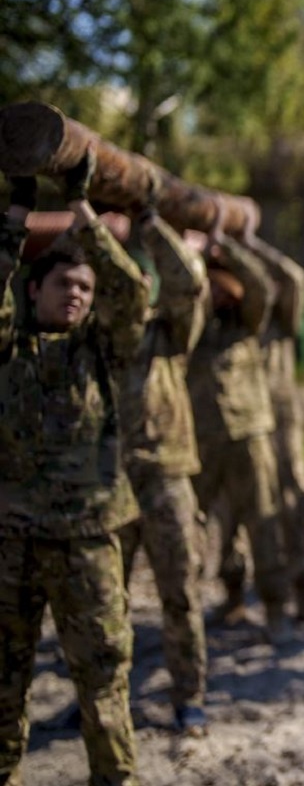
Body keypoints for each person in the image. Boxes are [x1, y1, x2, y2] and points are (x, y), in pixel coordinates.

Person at [0, 153, 147, 784]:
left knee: (104, 686)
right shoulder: (7, 346)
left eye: (85, 290)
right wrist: (13, 221)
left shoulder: (102, 348)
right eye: (66, 285)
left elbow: (132, 292)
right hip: (12, 541)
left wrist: (84, 211)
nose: (79, 296)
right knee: (3, 687)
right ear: (35, 290)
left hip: (87, 541)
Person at [115, 179, 212, 736]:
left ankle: (188, 695)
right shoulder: (94, 336)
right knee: (106, 603)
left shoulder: (168, 334)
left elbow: (188, 284)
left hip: (168, 477)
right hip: (105, 483)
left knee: (180, 595)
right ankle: (105, 698)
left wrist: (149, 222)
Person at [186, 215, 291, 644]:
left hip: (249, 436)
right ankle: (200, 611)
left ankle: (276, 610)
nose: (216, 290)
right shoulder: (186, 328)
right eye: (208, 283)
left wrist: (223, 245)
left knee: (263, 523)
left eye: (221, 283)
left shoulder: (246, 324)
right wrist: (194, 260)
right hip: (201, 443)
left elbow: (263, 285)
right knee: (198, 529)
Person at [245, 234, 304, 625]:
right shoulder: (224, 320)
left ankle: (302, 591)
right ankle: (238, 592)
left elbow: (294, 278)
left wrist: (245, 241)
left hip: (279, 422)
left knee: (292, 503)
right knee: (241, 515)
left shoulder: (280, 320)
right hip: (237, 429)